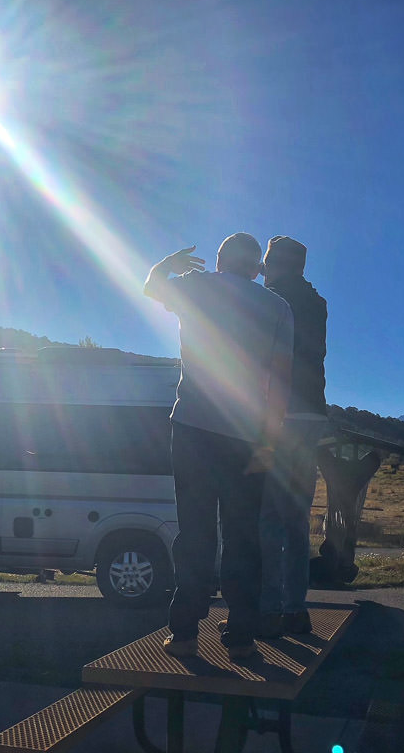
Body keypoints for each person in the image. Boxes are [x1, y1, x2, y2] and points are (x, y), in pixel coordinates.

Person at [143, 233, 294, 661]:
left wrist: (169, 262)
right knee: (243, 536)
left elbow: (150, 286)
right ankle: (242, 638)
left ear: (221, 261)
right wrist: (270, 437)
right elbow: (280, 380)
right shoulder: (278, 307)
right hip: (247, 435)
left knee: (196, 532)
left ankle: (186, 634)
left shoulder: (197, 286)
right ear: (255, 268)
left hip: (192, 429)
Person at [258, 235, 327, 637]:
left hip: (277, 413)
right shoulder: (317, 303)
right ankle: (295, 609)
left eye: (267, 263)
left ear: (277, 264)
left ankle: (268, 609)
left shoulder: (270, 301)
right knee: (297, 517)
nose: (263, 270)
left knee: (267, 515)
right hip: (311, 414)